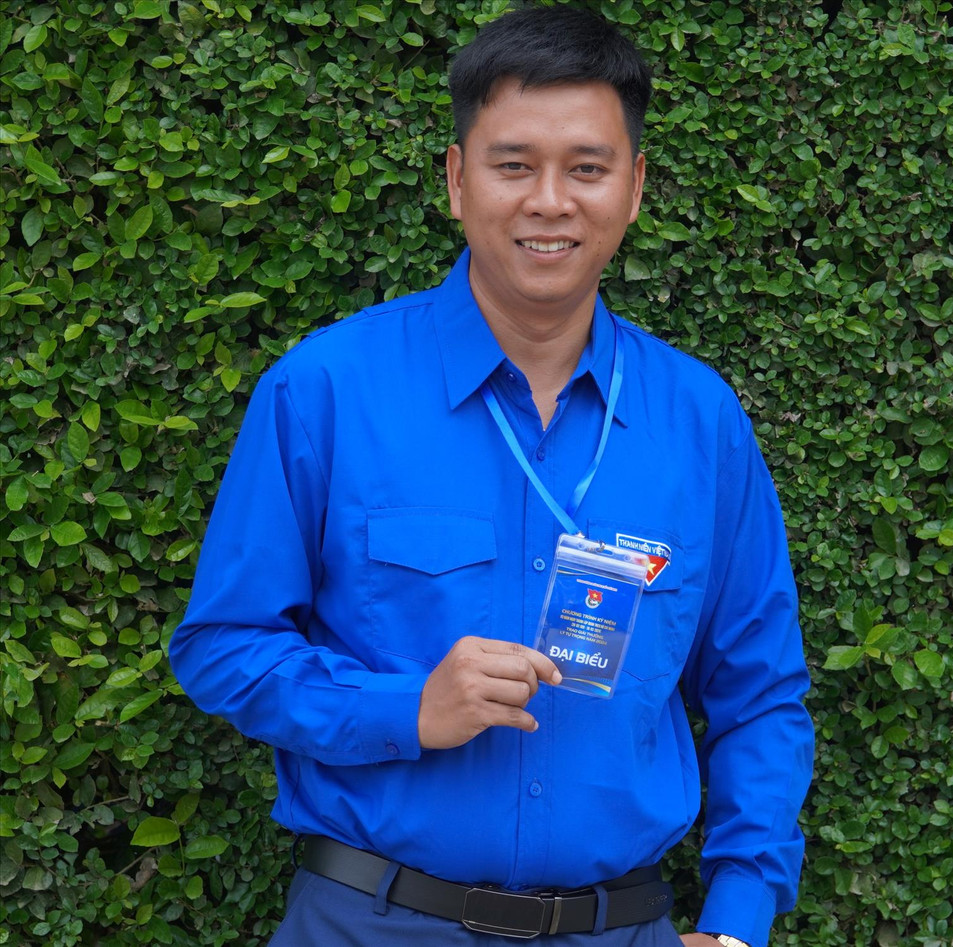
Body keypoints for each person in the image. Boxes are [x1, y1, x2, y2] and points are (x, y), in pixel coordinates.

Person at [169, 5, 814, 947]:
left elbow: (760, 691)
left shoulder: (698, 420)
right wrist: (406, 708)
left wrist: (741, 916)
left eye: (586, 168)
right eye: (514, 165)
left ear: (634, 188)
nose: (550, 201)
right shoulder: (327, 390)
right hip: (371, 925)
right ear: (456, 178)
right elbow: (223, 644)